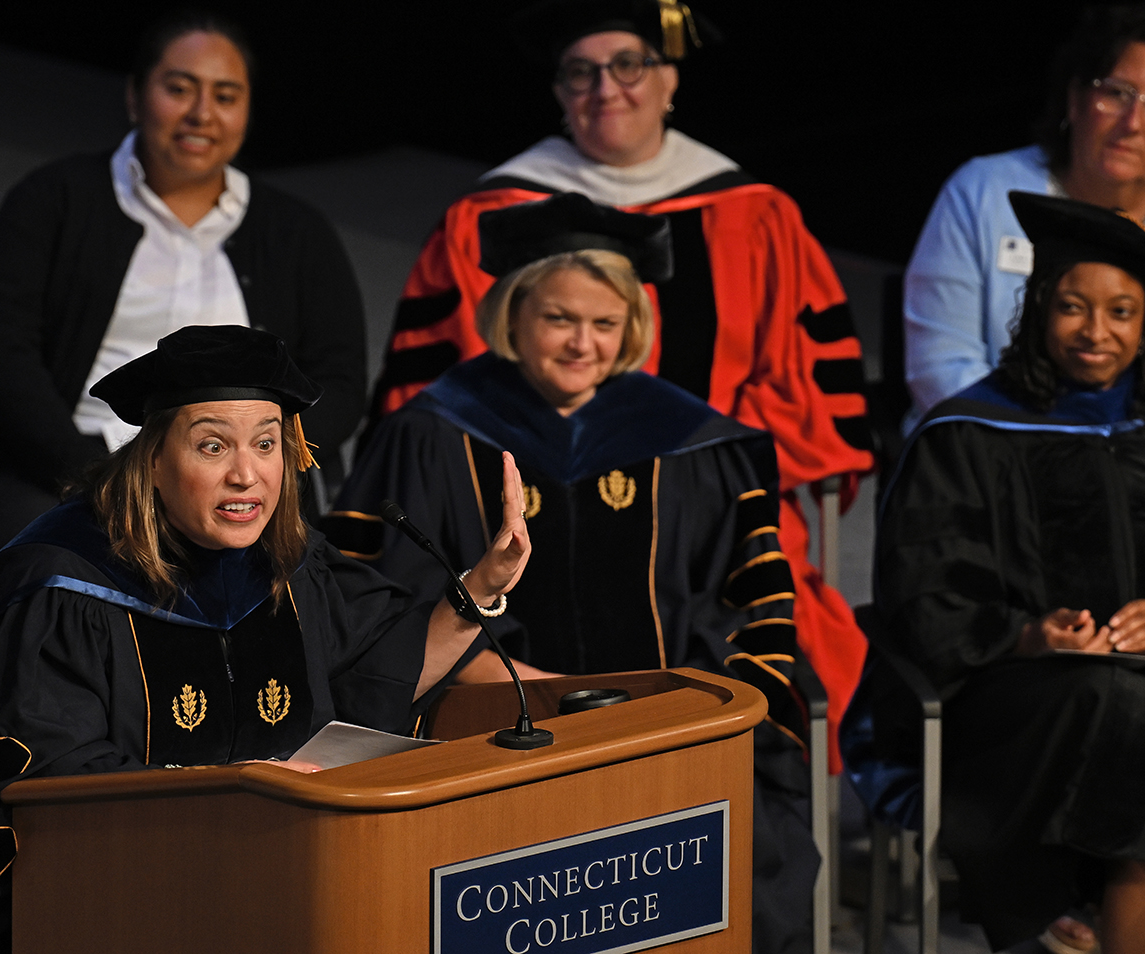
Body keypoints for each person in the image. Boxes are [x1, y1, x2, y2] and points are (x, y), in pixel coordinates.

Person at [0, 326, 529, 954]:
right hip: (122, 912)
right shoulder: (61, 587)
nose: (246, 475)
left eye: (266, 444)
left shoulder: (290, 563)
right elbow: (52, 794)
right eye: (211, 446)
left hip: (284, 889)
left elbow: (379, 674)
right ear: (154, 457)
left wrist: (476, 589)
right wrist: (237, 789)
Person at [370, 0, 873, 771]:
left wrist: (698, 463)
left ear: (670, 79)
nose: (606, 89)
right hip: (505, 507)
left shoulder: (758, 214)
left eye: (629, 65)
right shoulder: (492, 211)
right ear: (560, 89)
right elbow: (429, 397)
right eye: (581, 71)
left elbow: (807, 393)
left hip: (697, 517)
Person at [327, 192, 817, 952]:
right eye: (558, 318)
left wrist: (683, 708)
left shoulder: (697, 443)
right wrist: (519, 683)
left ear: (632, 329)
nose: (581, 343)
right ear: (513, 317)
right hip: (491, 724)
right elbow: (370, 592)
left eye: (604, 323)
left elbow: (756, 606)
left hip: (670, 729)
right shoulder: (431, 432)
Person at [872, 191, 1145, 953]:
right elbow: (925, 600)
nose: (1095, 332)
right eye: (1073, 308)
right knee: (1125, 709)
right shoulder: (969, 435)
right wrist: (1031, 635)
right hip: (1023, 717)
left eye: (1120, 312)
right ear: (1037, 310)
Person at [0, 10, 367, 579]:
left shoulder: (297, 233)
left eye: (225, 96)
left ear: (247, 111)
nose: (201, 114)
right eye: (179, 89)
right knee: (38, 581)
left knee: (314, 596)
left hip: (239, 477)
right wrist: (96, 474)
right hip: (70, 468)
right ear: (134, 96)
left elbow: (341, 380)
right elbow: (0, 352)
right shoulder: (54, 199)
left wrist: (263, 458)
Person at [902, 0, 1145, 439]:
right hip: (1005, 466)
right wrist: (1074, 454)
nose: (1132, 122)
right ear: (1076, 99)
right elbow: (941, 367)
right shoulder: (980, 194)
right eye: (1116, 92)